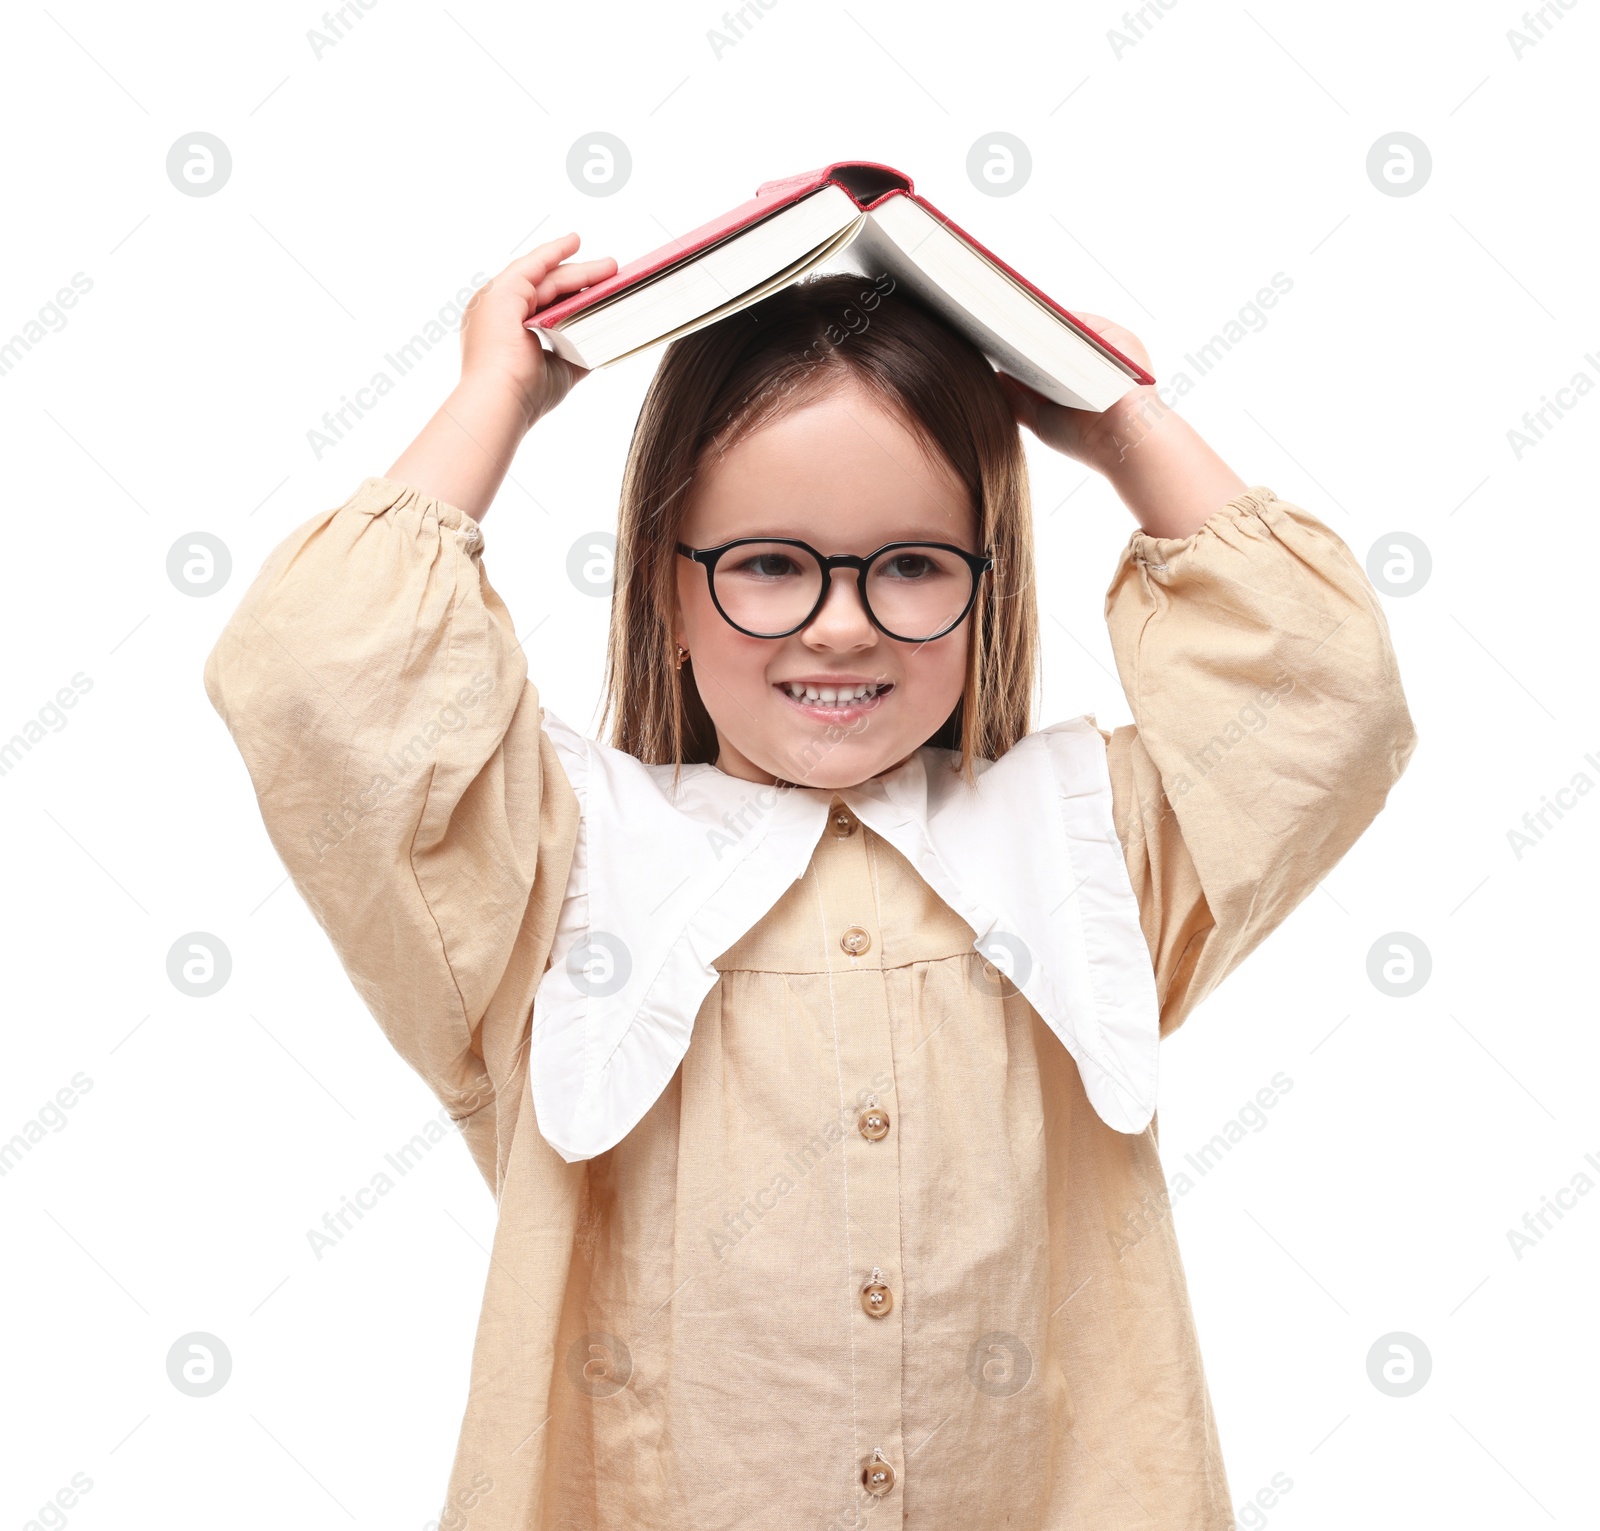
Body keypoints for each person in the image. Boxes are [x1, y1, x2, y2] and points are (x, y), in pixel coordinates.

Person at [204, 232, 1416, 1529]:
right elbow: (313, 680)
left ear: (985, 587)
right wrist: (494, 397)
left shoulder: (1079, 850)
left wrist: (1123, 424)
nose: (842, 623)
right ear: (665, 590)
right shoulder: (555, 876)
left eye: (911, 564)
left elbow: (1326, 699)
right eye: (770, 564)